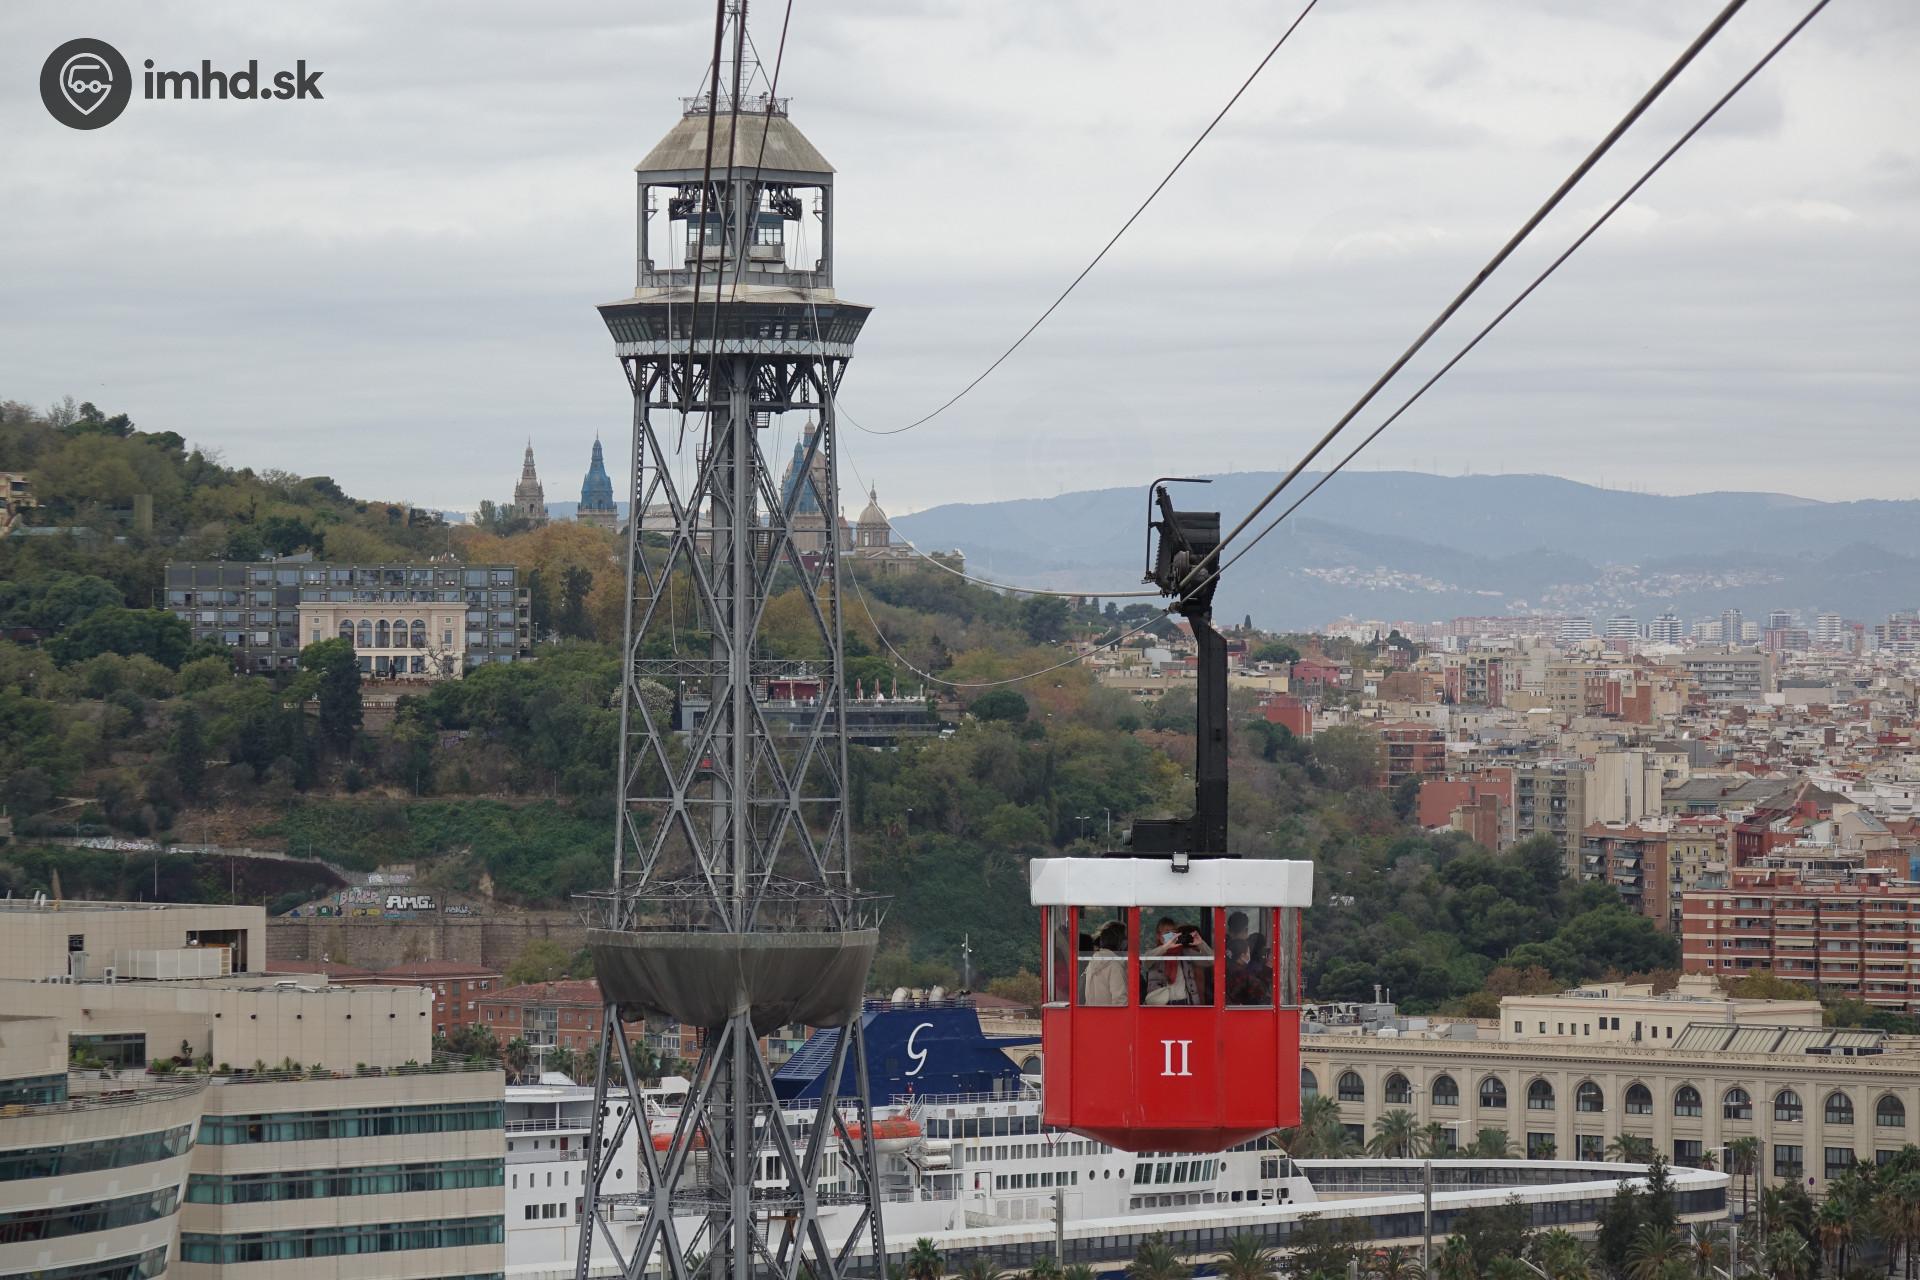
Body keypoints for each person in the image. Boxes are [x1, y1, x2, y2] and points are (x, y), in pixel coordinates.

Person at [1143, 916, 1212, 1005]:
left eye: (1174, 933)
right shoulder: (1155, 953)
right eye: (1167, 933)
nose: (1171, 936)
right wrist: (1166, 947)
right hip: (1160, 1004)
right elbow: (1145, 961)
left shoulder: (1185, 952)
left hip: (1184, 1002)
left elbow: (1211, 961)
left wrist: (1201, 944)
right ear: (1158, 936)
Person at [1080, 920, 1128, 1006]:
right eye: (1125, 938)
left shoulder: (1092, 962)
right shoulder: (1115, 965)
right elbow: (1121, 1002)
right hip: (1110, 1014)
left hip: (1092, 1013)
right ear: (1120, 941)